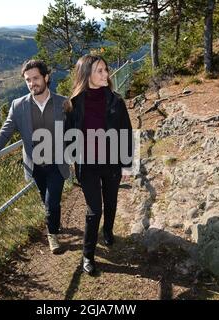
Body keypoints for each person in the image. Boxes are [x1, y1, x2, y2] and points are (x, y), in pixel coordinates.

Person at [0, 60, 70, 254]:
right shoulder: (18, 106)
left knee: (52, 201)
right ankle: (54, 221)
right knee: (46, 197)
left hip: (57, 163)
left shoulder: (63, 103)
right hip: (35, 165)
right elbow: (5, 131)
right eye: (28, 80)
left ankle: (52, 234)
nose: (32, 83)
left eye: (35, 78)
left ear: (46, 77)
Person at [64, 55, 133, 275]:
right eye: (99, 71)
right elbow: (67, 136)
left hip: (111, 163)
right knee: (95, 210)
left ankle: (109, 231)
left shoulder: (116, 100)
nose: (106, 74)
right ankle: (88, 255)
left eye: (106, 69)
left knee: (111, 201)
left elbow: (126, 132)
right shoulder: (74, 104)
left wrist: (128, 164)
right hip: (88, 167)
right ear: (86, 75)